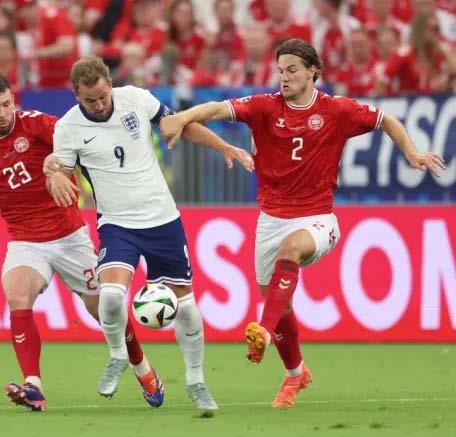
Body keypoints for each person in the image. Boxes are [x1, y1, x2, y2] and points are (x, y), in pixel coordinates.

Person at [159, 38, 446, 409]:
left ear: (313, 71)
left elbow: (385, 120)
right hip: (270, 219)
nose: (284, 77)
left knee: (291, 251)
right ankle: (296, 373)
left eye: (292, 70)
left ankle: (262, 330)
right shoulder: (264, 107)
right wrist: (183, 117)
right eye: (281, 70)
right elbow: (216, 108)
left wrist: (411, 152)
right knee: (280, 305)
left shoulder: (337, 110)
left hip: (318, 218)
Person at [43, 55, 249, 411]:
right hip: (117, 224)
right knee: (109, 297)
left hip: (162, 219)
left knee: (186, 308)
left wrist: (224, 146)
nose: (99, 104)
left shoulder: (136, 99)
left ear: (110, 85)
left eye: (103, 96)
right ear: (76, 95)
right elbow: (58, 171)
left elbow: (178, 124)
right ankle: (117, 356)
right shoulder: (68, 128)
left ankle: (196, 382)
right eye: (90, 100)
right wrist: (54, 178)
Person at [0, 73, 148, 412]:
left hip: (70, 236)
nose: (3, 113)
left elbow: (73, 144)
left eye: (7, 104)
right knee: (16, 294)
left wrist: (56, 170)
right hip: (25, 240)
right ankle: (33, 386)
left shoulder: (36, 124)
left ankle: (143, 369)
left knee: (106, 310)